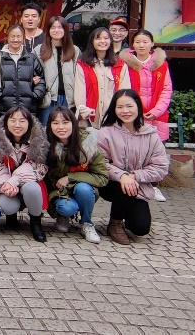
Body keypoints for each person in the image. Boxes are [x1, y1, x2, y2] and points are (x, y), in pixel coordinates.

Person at [96, 89, 170, 245]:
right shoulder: (105, 133)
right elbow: (100, 162)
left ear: (138, 107)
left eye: (129, 106)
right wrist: (122, 176)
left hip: (137, 184)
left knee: (140, 228)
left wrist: (135, 176)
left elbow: (161, 167)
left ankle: (125, 214)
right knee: (124, 187)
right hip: (110, 183)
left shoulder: (151, 135)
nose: (125, 111)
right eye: (120, 107)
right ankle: (115, 223)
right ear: (114, 109)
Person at [118, 30, 173, 203]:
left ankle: (153, 186)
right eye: (138, 42)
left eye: (145, 42)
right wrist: (133, 111)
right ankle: (133, 182)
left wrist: (156, 111)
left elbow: (166, 90)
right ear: (132, 45)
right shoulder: (125, 63)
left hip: (156, 115)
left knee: (155, 152)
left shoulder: (161, 64)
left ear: (152, 44)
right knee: (133, 151)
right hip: (133, 114)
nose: (141, 45)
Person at [44, 106, 106, 243]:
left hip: (81, 188)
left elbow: (102, 177)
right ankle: (62, 216)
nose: (61, 127)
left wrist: (70, 178)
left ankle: (87, 223)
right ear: (49, 125)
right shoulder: (45, 144)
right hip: (58, 191)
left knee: (83, 189)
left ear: (73, 123)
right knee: (67, 208)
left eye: (65, 122)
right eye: (55, 123)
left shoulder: (88, 144)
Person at [0, 106, 49, 242]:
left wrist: (14, 180)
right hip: (7, 182)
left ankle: (36, 222)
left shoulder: (39, 141)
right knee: (7, 206)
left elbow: (38, 167)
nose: (17, 125)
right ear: (6, 123)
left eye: (22, 121)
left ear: (29, 123)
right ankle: (12, 216)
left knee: (32, 189)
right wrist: (6, 185)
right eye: (13, 120)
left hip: (29, 182)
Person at [74, 27, 131, 129]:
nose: (102, 41)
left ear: (110, 41)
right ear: (92, 41)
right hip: (91, 116)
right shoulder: (83, 64)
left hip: (113, 115)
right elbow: (80, 89)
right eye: (98, 38)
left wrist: (122, 111)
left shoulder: (120, 64)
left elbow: (125, 91)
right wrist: (83, 110)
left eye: (106, 38)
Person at [0, 24, 46, 114]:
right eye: (12, 36)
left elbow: (41, 80)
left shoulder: (31, 58)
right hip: (4, 108)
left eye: (18, 36)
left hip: (27, 109)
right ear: (7, 37)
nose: (15, 39)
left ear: (23, 38)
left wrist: (35, 96)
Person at [33, 16, 79, 126]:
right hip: (48, 99)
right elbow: (33, 72)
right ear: (48, 30)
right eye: (53, 27)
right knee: (46, 129)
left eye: (60, 27)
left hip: (69, 98)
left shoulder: (74, 50)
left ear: (65, 29)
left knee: (66, 130)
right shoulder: (39, 50)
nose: (56, 30)